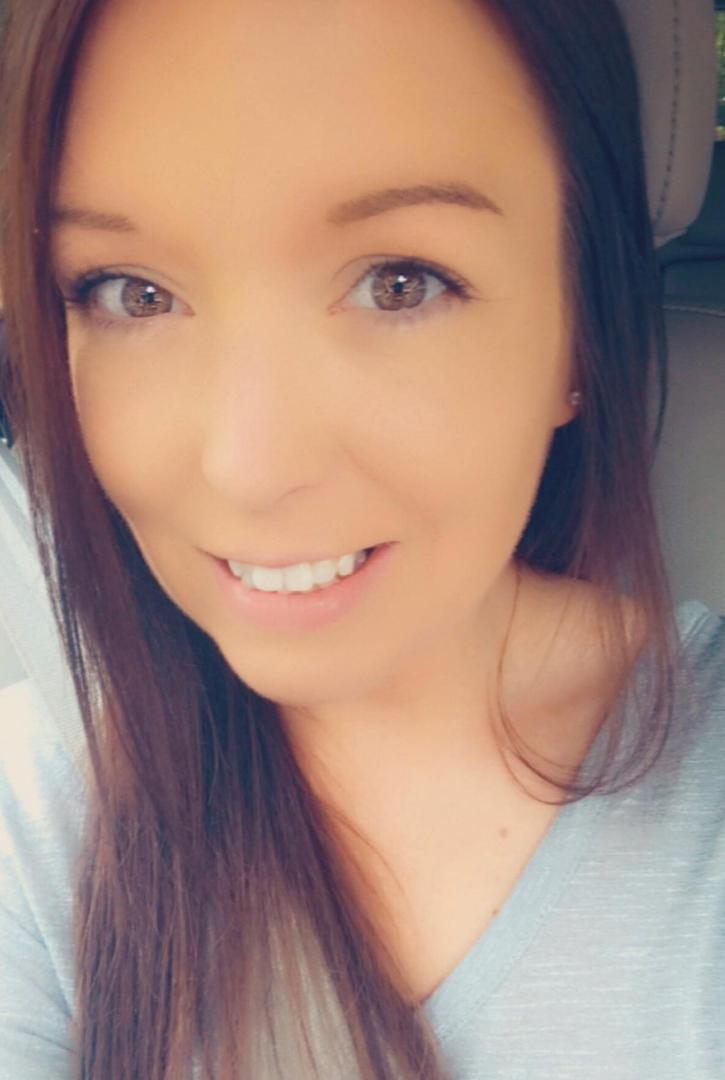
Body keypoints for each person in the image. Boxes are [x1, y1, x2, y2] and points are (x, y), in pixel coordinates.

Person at [0, 0, 722, 1077]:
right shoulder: (37, 811)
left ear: (578, 328)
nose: (245, 468)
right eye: (132, 293)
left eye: (398, 283)